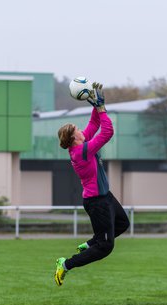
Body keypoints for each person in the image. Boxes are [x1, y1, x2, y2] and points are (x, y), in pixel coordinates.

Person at [55, 82, 130, 286]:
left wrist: (96, 104)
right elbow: (107, 132)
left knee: (123, 223)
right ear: (73, 138)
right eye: (77, 129)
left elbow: (95, 125)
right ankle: (66, 264)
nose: (81, 130)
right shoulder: (81, 151)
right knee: (105, 247)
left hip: (104, 197)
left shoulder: (81, 145)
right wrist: (101, 109)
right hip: (97, 203)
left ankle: (89, 243)